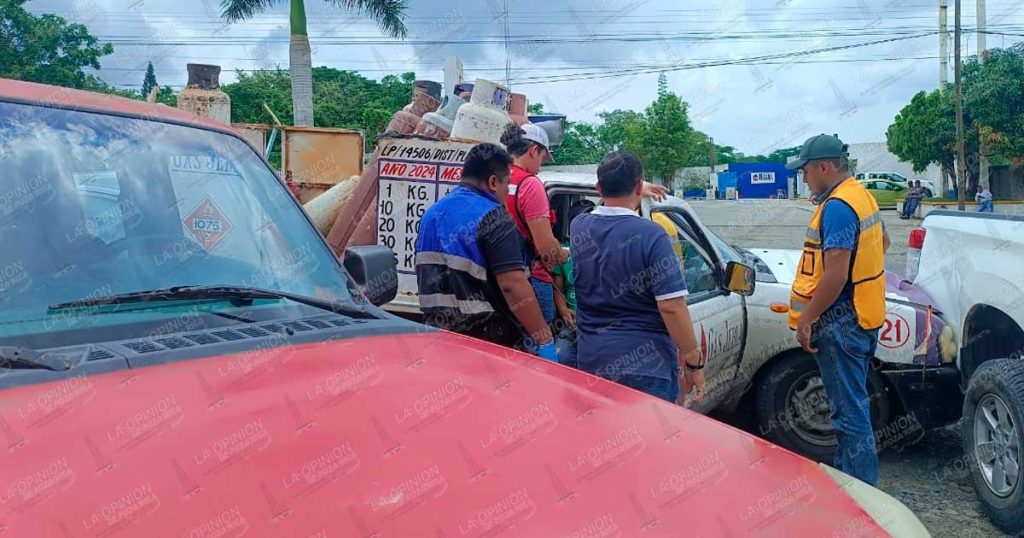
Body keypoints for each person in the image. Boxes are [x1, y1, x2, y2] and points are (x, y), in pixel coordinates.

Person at [785, 134, 890, 486]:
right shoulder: (861, 196)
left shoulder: (838, 207)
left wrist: (807, 319)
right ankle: (853, 484)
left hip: (841, 322)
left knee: (848, 415)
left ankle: (861, 495)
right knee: (853, 408)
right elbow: (884, 243)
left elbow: (835, 274)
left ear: (824, 167)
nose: (804, 178)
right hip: (863, 315)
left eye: (806, 171)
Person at [501, 123, 670, 332]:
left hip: (500, 279)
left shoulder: (496, 179)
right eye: (543, 158)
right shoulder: (530, 184)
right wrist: (562, 255)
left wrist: (634, 186)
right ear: (534, 150)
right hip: (531, 277)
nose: (540, 167)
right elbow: (546, 249)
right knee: (541, 341)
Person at [571, 151, 705, 403]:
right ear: (637, 185)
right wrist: (694, 364)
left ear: (599, 188)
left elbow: (608, 212)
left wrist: (632, 188)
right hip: (647, 366)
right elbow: (672, 307)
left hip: (593, 362)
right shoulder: (653, 235)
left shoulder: (579, 226)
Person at [415, 143, 557, 361]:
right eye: (506, 185)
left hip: (439, 339)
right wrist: (544, 339)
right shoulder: (494, 217)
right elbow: (512, 285)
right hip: (487, 343)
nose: (505, 193)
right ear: (493, 182)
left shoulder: (431, 215)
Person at [552, 199, 594, 368]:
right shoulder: (563, 253)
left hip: (596, 326)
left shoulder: (604, 251)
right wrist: (563, 310)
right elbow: (558, 289)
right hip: (570, 325)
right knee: (561, 364)